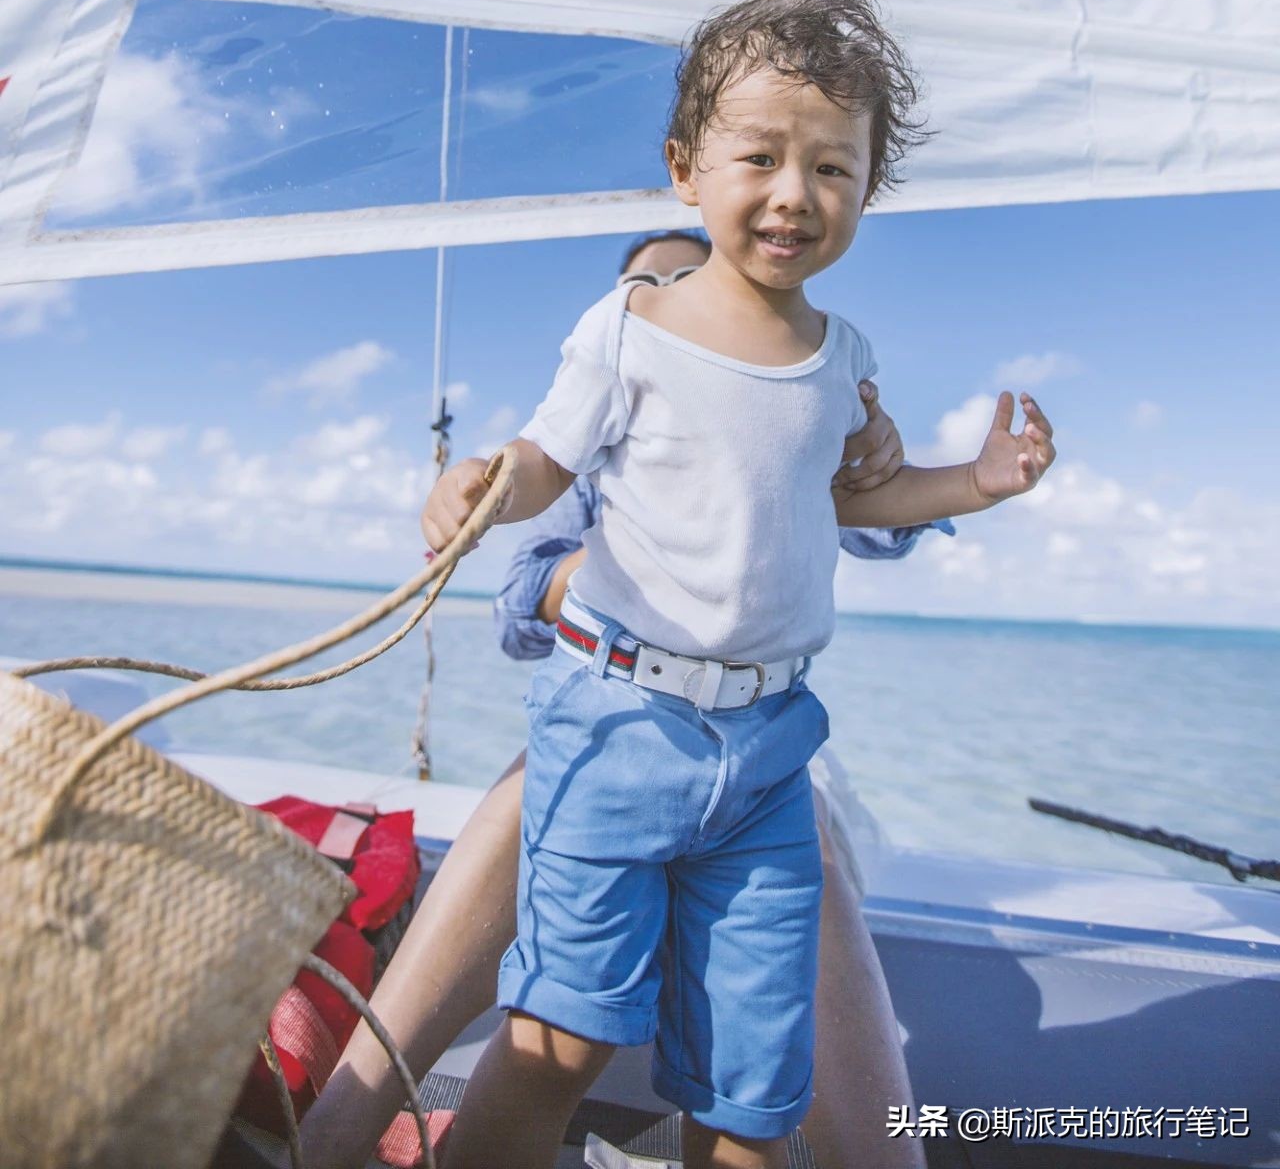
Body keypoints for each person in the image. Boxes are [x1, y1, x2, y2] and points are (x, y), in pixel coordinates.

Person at [421, 0, 1056, 1169]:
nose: (793, 194)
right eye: (758, 156)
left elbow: (862, 503)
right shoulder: (627, 325)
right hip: (615, 727)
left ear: (867, 189)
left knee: (757, 1089)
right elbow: (545, 462)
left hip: (766, 750)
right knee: (560, 1038)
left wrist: (975, 480)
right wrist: (478, 488)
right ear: (683, 166)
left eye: (833, 169)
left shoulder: (841, 358)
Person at [298, 227, 935, 1169]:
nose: (670, 295)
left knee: (804, 830)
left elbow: (887, 535)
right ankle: (340, 1127)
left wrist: (867, 453)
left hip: (762, 743)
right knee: (539, 784)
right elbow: (521, 603)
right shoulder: (600, 426)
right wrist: (641, 564)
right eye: (648, 287)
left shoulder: (794, 390)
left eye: (690, 276)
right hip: (618, 717)